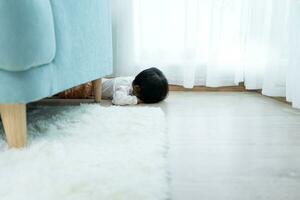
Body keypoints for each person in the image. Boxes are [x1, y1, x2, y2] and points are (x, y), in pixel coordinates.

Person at [102, 67, 169, 105]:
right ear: (137, 89)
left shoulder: (138, 82)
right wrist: (137, 100)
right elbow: (117, 100)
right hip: (94, 87)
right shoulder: (125, 86)